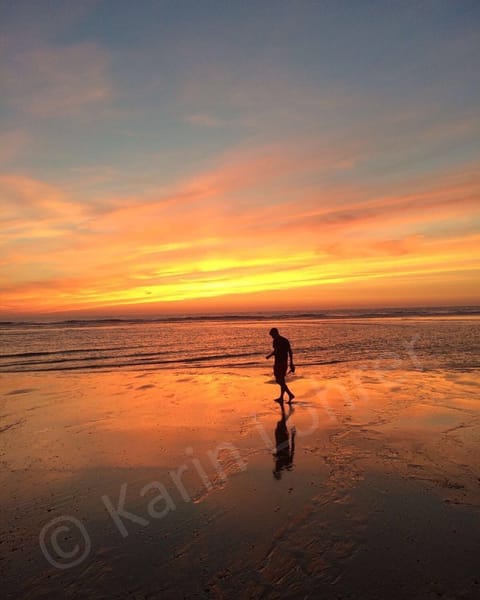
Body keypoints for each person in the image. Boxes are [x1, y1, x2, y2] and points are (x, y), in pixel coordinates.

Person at [266, 327, 295, 403]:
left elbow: (276, 351)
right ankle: (281, 397)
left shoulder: (276, 341)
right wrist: (291, 363)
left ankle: (290, 394)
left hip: (279, 363)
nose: (272, 337)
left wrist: (270, 355)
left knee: (279, 380)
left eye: (272, 335)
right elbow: (290, 352)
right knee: (281, 380)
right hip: (284, 362)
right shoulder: (285, 340)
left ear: (275, 333)